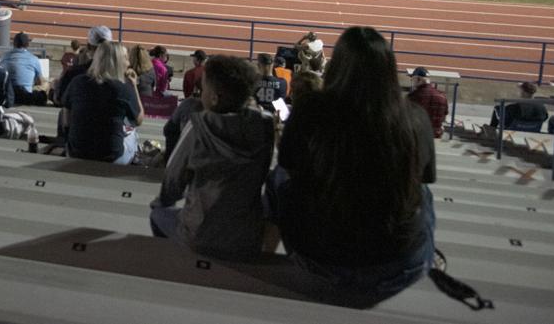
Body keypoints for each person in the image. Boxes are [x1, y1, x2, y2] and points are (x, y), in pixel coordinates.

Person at [266, 26, 436, 301]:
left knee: (279, 176)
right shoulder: (415, 117)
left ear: (338, 67)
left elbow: (288, 164)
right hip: (400, 266)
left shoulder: (311, 109)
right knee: (422, 191)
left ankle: (263, 252)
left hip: (318, 260)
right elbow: (424, 177)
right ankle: (421, 251)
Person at [150, 54, 275, 259]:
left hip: (199, 236)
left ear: (215, 97)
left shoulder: (197, 127)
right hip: (246, 237)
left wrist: (162, 202)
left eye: (204, 87)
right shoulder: (265, 125)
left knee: (157, 213)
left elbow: (172, 182)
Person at [62, 41, 144, 164]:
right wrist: (133, 85)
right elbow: (138, 120)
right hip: (111, 156)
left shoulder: (77, 82)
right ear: (118, 62)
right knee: (133, 133)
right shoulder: (123, 88)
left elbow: (65, 115)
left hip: (76, 152)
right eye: (126, 59)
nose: (129, 63)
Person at [0, 32, 48, 105]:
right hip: (25, 96)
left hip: (8, 95)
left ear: (14, 43)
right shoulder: (34, 59)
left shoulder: (4, 56)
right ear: (28, 44)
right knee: (46, 84)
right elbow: (40, 82)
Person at [406, 67, 449, 138]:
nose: (412, 81)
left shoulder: (412, 97)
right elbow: (443, 118)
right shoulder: (442, 96)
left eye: (412, 79)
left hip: (418, 136)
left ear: (418, 79)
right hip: (435, 135)